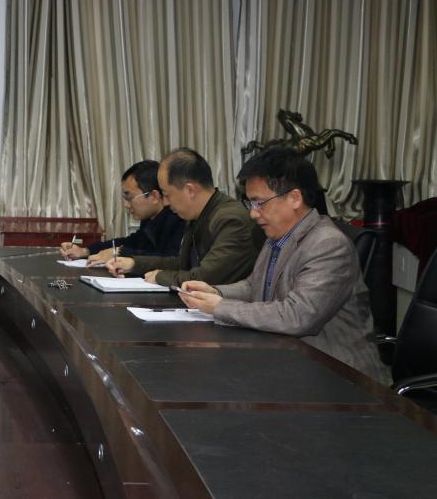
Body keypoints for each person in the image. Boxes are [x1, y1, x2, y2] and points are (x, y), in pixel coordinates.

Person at [179, 148, 388, 382]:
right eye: (250, 203)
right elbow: (254, 286)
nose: (253, 214)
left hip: (338, 375)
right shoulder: (277, 235)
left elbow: (297, 316)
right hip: (289, 361)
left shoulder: (328, 244)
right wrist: (215, 292)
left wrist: (220, 307)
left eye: (260, 203)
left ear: (295, 198)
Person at [106, 147, 264, 286]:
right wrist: (134, 264)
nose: (165, 202)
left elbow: (205, 277)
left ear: (190, 190)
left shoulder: (231, 219)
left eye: (167, 194)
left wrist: (160, 277)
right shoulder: (198, 214)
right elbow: (182, 264)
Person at [60, 160, 184, 264]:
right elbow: (132, 243)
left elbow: (171, 260)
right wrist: (85, 251)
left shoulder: (180, 218)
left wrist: (119, 253)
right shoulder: (150, 217)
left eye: (129, 197)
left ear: (154, 196)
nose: (126, 204)